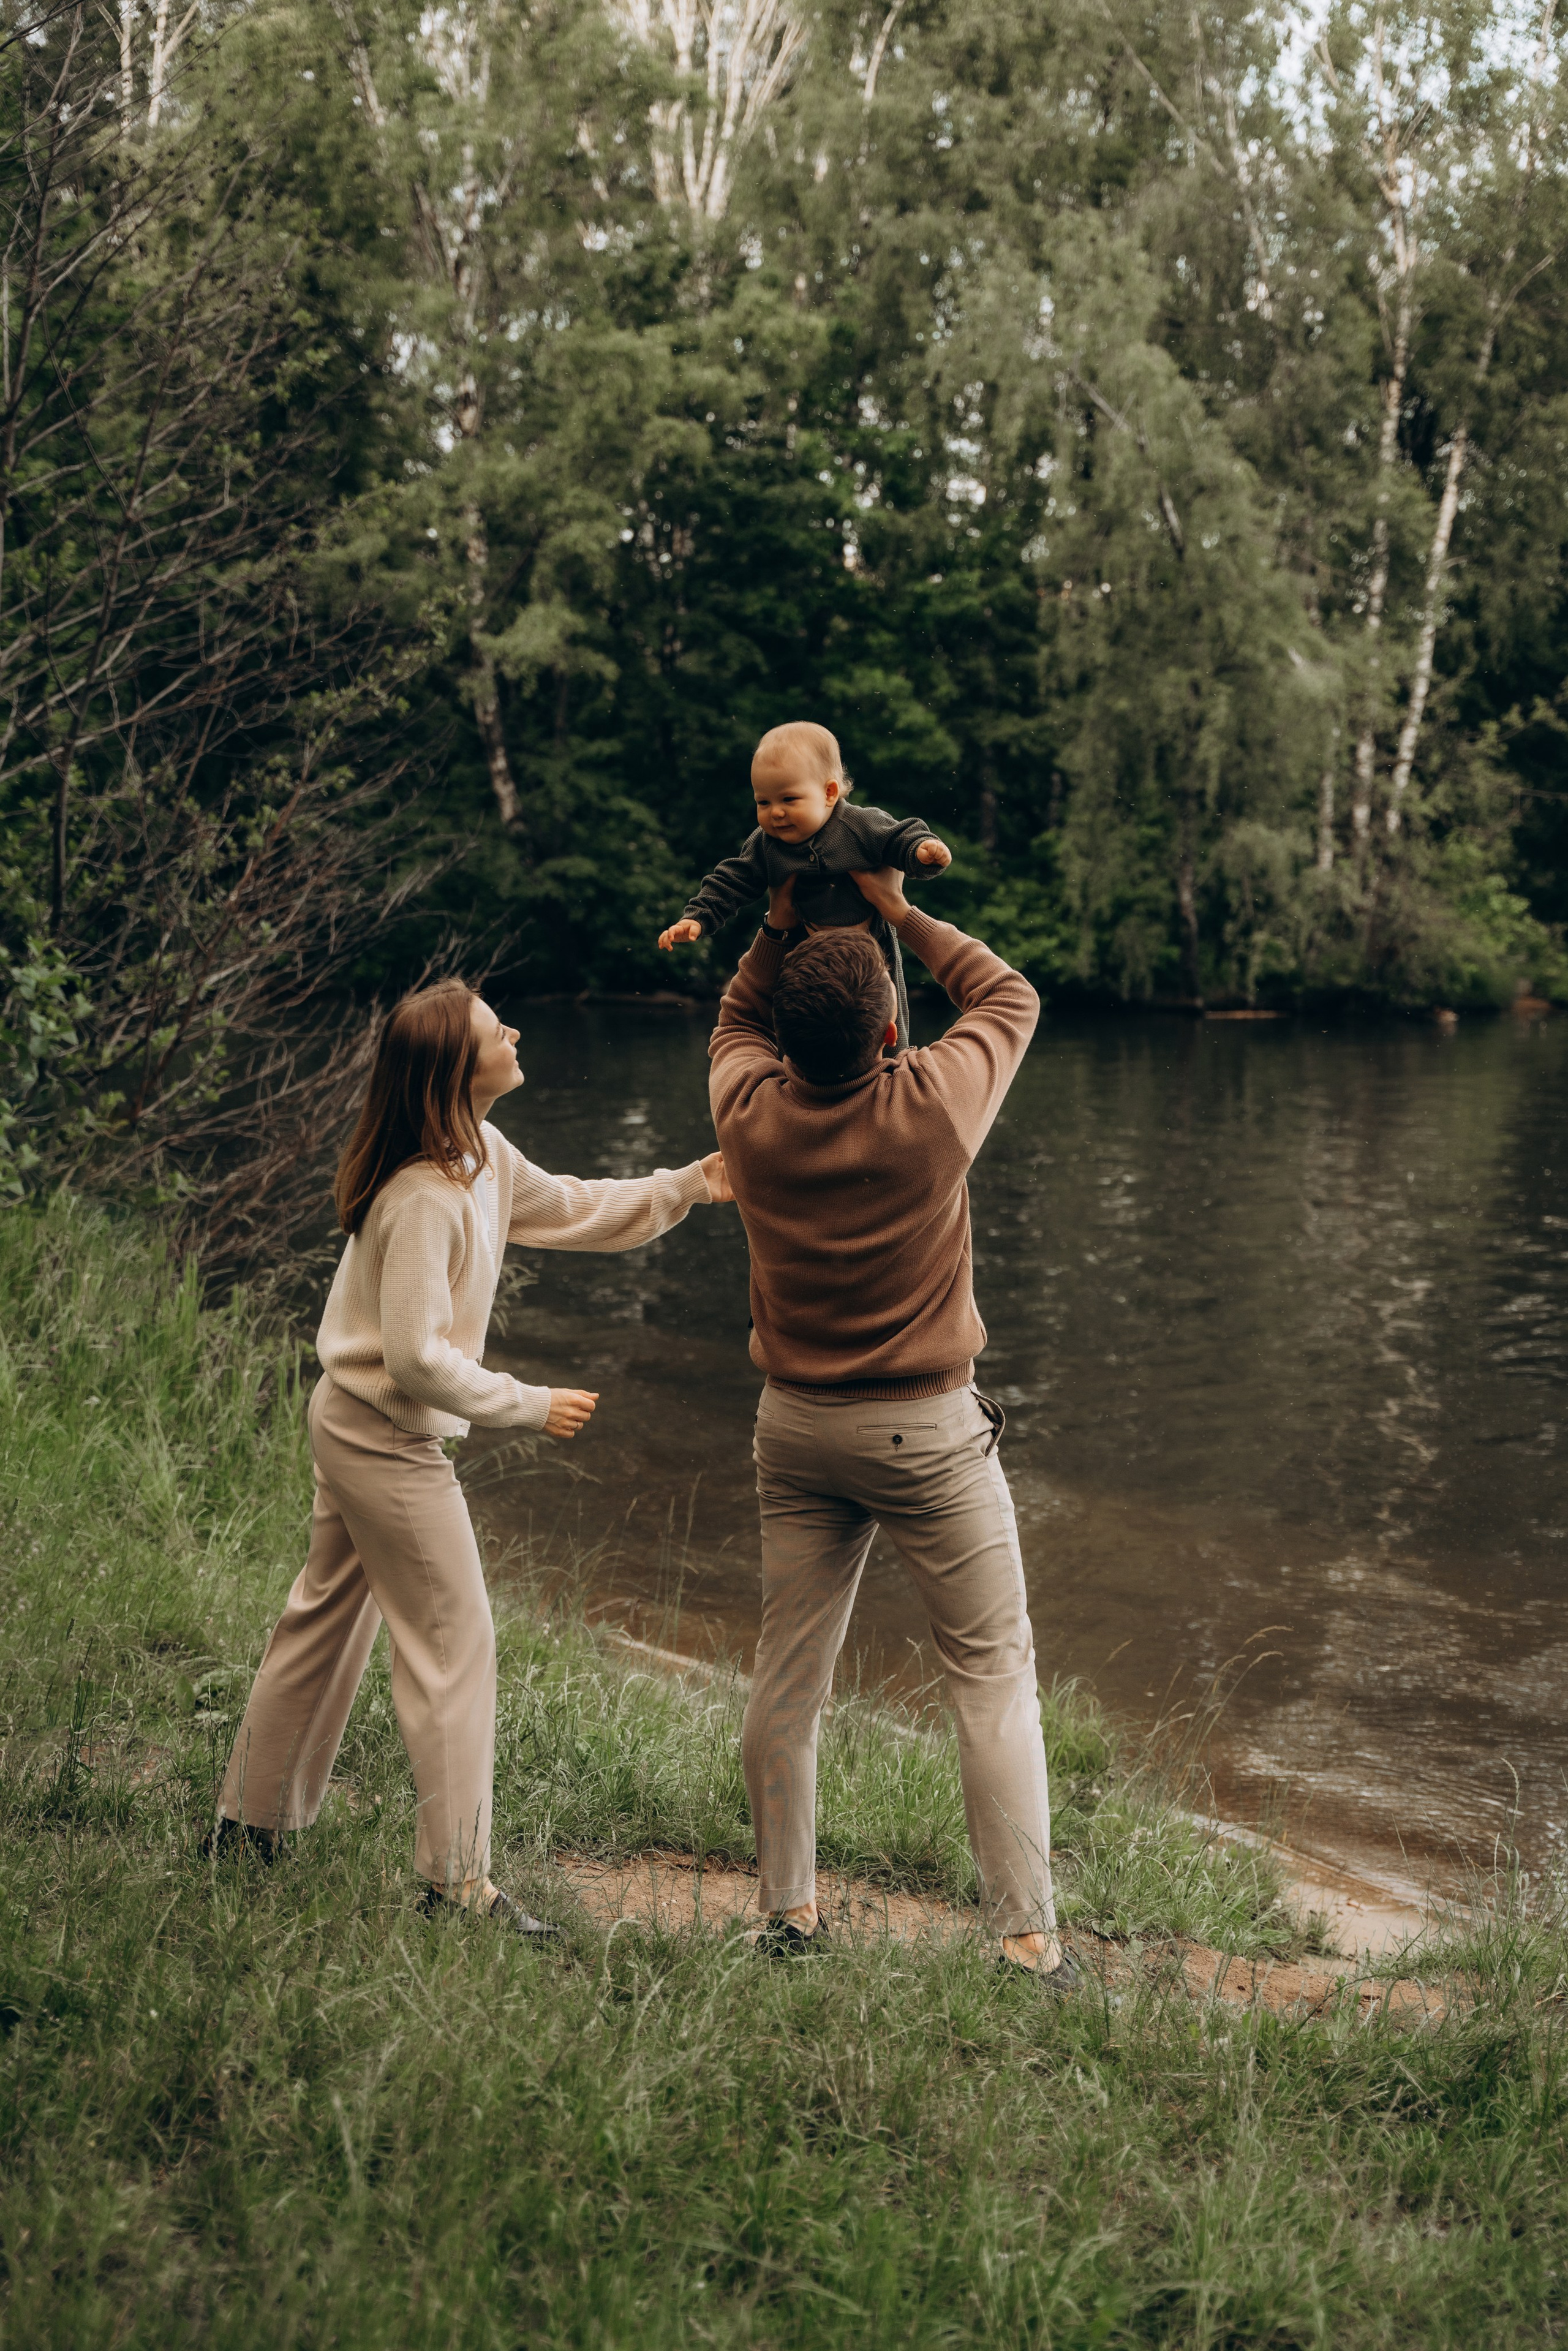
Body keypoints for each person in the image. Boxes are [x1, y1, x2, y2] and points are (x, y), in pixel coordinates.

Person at [209, 978, 730, 1936]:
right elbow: (412, 1355)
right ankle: (456, 1885)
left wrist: (688, 1185)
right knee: (457, 1644)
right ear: (460, 1066)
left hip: (361, 1419)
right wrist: (524, 1404)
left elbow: (573, 1207)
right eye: (499, 1029)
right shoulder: (420, 1194)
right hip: (383, 1435)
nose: (517, 1030)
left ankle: (248, 1826)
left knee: (327, 1615)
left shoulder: (483, 1156)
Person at [709, 864, 1074, 1988]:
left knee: (789, 1674)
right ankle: (1024, 1941)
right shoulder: (931, 1107)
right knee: (991, 1676)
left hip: (797, 1429)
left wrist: (774, 926)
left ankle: (787, 1915)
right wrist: (903, 911)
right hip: (927, 1435)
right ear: (886, 1031)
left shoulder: (748, 1112)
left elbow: (734, 1014)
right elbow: (1008, 994)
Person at [657, 720, 952, 1046]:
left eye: (789, 800)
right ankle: (798, 1065)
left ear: (829, 793)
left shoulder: (860, 825)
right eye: (763, 802)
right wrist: (698, 917)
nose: (776, 814)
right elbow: (732, 880)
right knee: (800, 1020)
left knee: (882, 1016)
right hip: (803, 952)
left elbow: (900, 839)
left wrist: (922, 853)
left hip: (871, 948)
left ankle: (892, 1066)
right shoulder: (766, 845)